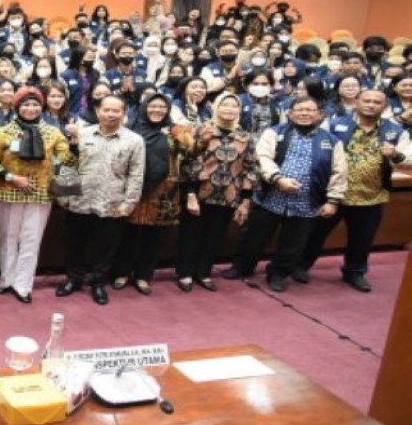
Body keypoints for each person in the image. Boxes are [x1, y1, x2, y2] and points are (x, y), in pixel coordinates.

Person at [223, 96, 348, 292]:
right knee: (253, 237)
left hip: (307, 202)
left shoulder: (332, 141)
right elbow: (262, 158)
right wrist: (277, 178)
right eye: (299, 109)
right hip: (270, 197)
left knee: (293, 244)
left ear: (320, 114)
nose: (304, 113)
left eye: (309, 110)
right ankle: (242, 267)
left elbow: (339, 172)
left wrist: (333, 200)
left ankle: (279, 274)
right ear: (290, 113)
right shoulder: (274, 132)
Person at [300, 90, 412, 291]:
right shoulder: (333, 124)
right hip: (333, 194)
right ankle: (300, 266)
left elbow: (409, 160)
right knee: (315, 234)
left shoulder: (396, 131)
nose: (371, 105)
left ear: (384, 107)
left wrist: (395, 154)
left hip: (371, 195)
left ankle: (354, 272)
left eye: (376, 102)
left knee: (362, 239)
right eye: (366, 101)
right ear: (356, 103)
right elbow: (312, 148)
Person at [0, 86, 75, 304]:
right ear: (17, 107)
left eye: (35, 104)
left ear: (42, 106)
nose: (31, 108)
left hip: (41, 193)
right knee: (8, 238)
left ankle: (23, 285)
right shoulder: (3, 132)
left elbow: (68, 161)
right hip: (9, 192)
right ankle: (6, 280)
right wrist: (11, 177)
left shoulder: (53, 133)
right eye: (26, 104)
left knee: (31, 240)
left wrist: (76, 145)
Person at [55, 94, 145, 306]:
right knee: (74, 244)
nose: (111, 114)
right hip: (79, 201)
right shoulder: (82, 134)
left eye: (116, 111)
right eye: (107, 110)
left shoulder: (134, 140)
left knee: (106, 248)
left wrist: (128, 203)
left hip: (112, 203)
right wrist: (63, 194)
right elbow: (67, 164)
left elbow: (136, 174)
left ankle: (98, 284)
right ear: (98, 112)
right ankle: (73, 279)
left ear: (124, 114)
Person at [176, 92, 259, 292]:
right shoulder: (201, 130)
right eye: (225, 105)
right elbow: (186, 161)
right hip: (198, 193)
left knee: (214, 236)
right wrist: (190, 193)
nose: (229, 109)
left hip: (228, 195)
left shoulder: (244, 137)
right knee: (191, 235)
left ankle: (203, 273)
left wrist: (246, 199)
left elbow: (251, 168)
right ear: (216, 108)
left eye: (234, 106)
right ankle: (185, 273)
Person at [111, 93, 190, 295]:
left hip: (163, 192)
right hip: (133, 189)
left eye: (162, 107)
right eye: (153, 106)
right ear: (145, 107)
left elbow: (191, 147)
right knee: (127, 234)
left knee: (153, 238)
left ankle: (143, 276)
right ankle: (121, 273)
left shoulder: (174, 131)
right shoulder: (130, 129)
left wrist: (185, 128)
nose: (157, 110)